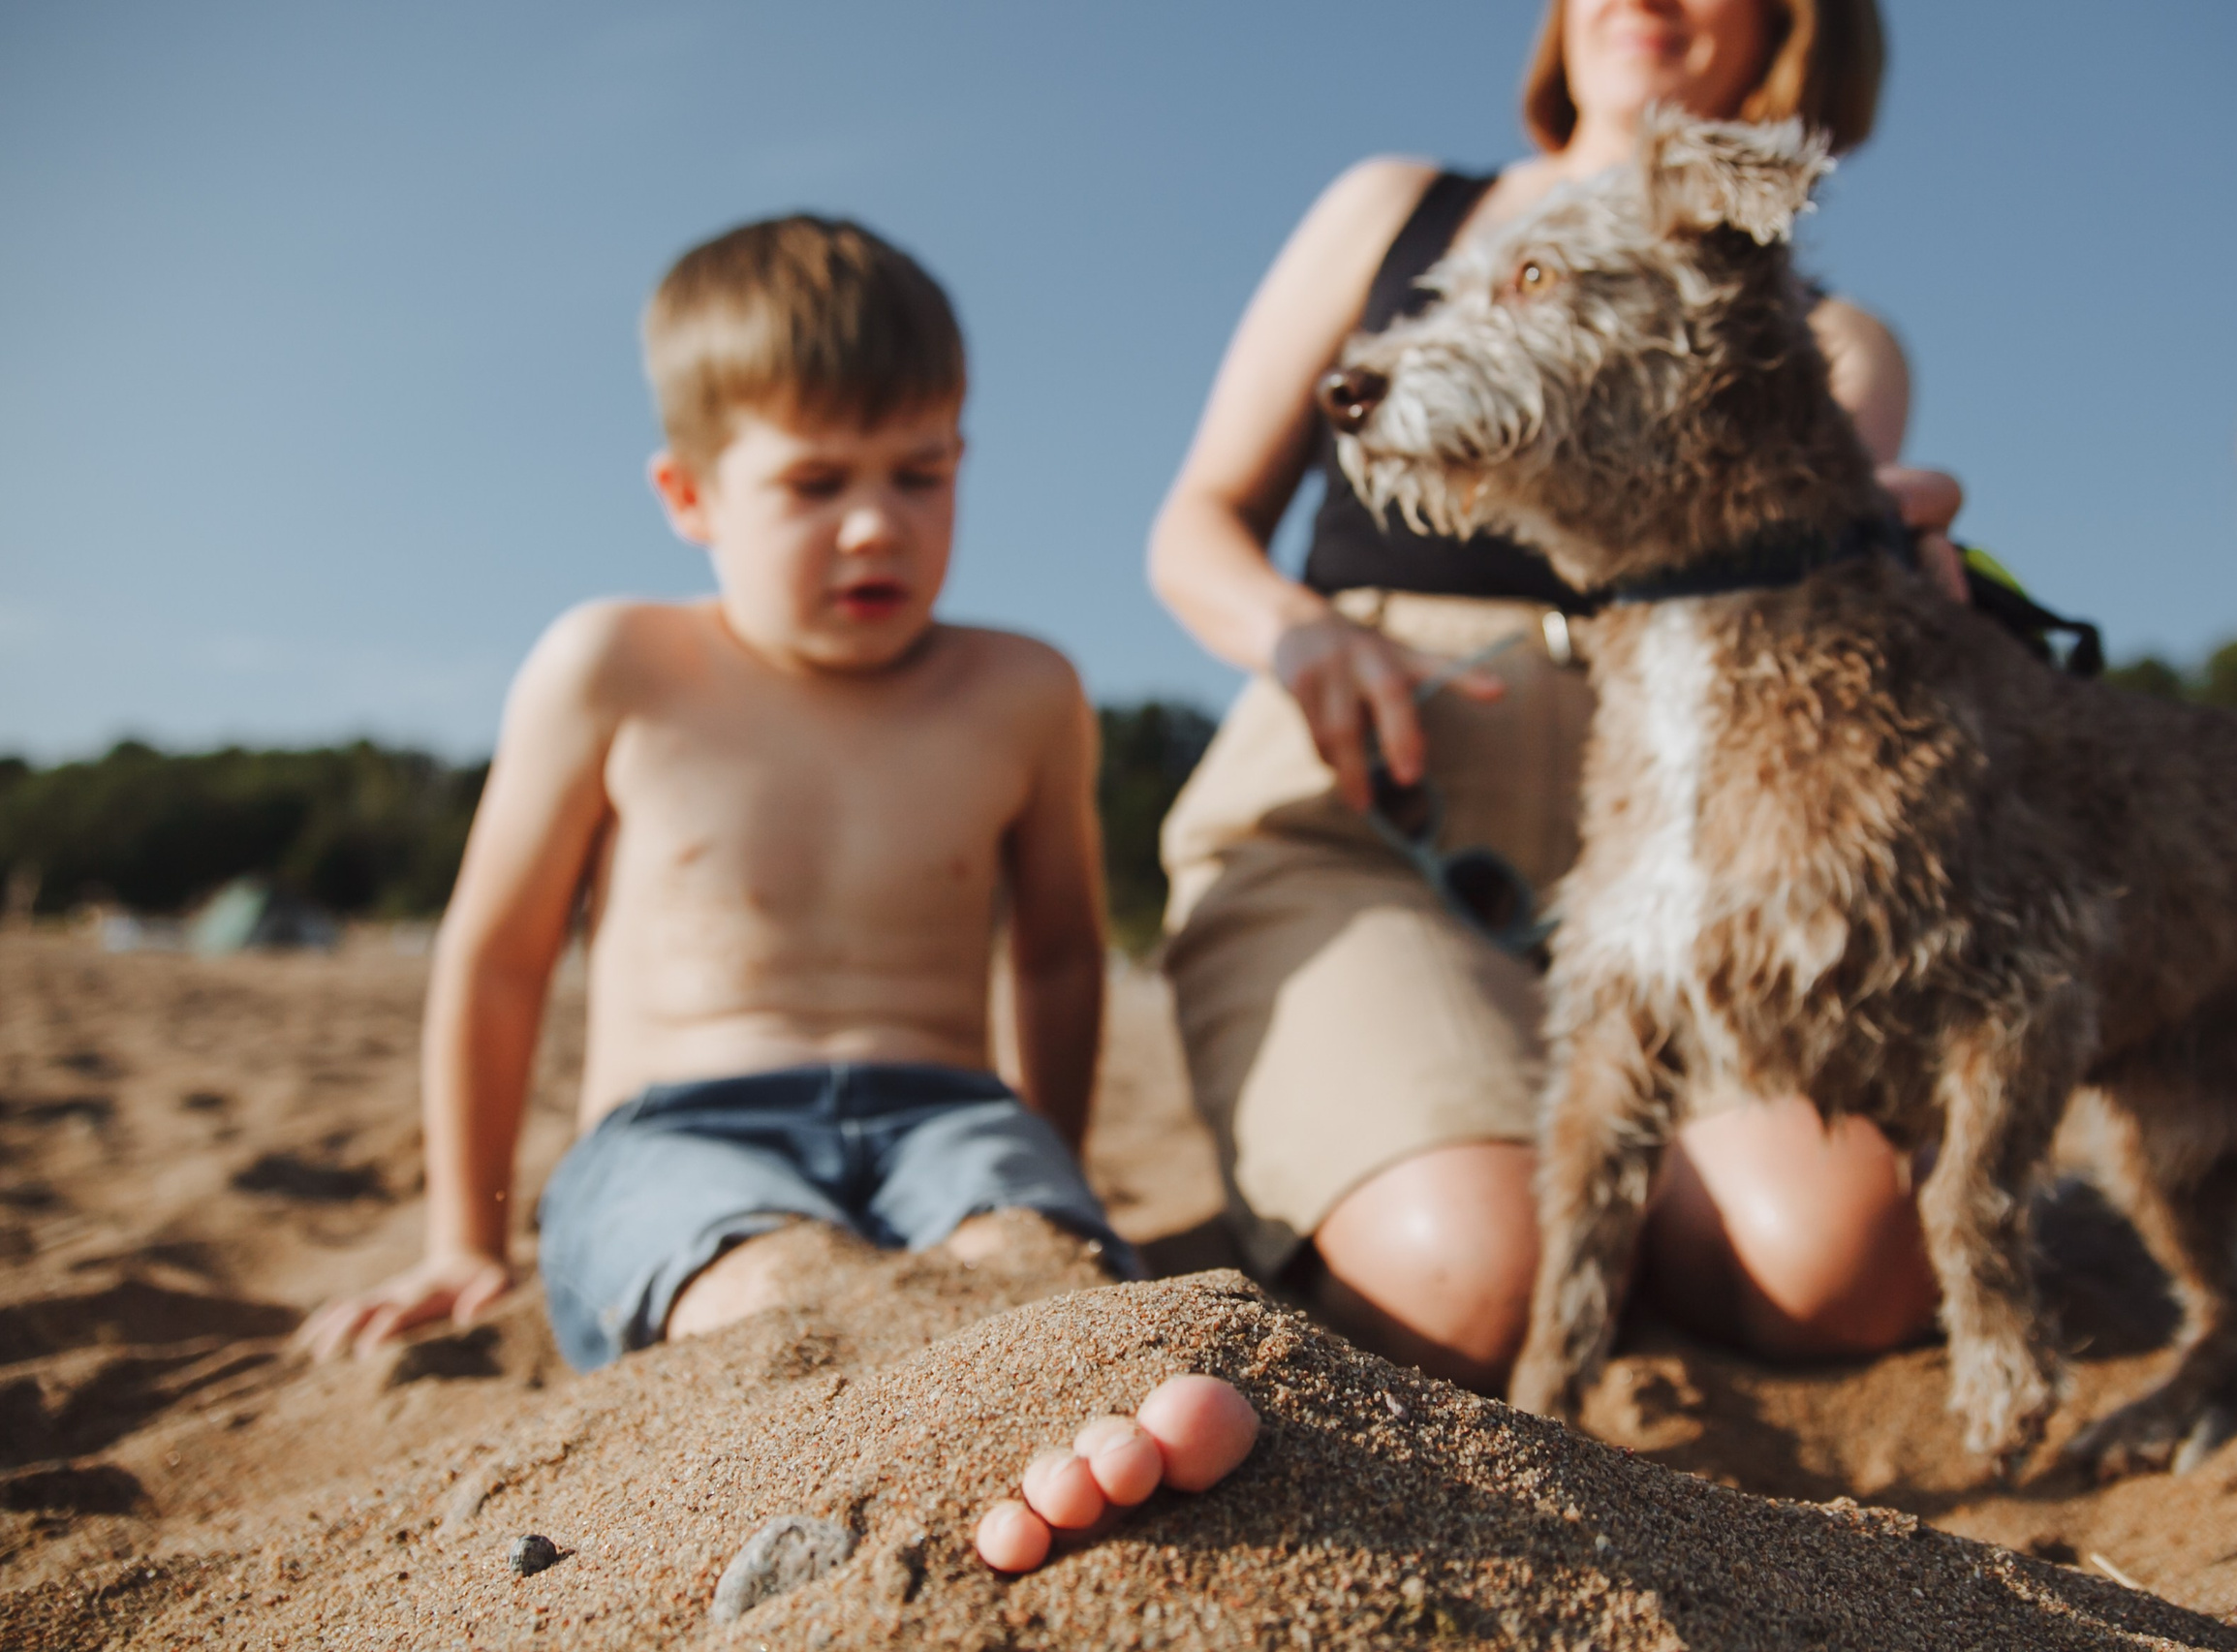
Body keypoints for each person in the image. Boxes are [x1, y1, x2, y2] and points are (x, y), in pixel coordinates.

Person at [295, 214, 1256, 1566]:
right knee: (779, 1283)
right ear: (689, 495)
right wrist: (465, 1234)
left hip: (946, 1109)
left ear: (963, 461)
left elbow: (1054, 955)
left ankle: (1085, 1442)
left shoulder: (1025, 691)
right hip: (675, 1130)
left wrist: (1058, 1157)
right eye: (815, 484)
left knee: (1029, 1257)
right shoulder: (614, 666)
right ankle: (909, 1496)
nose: (879, 522)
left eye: (921, 474)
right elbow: (497, 955)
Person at [1148, 0, 1952, 1394]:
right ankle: (1476, 1173)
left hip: (1677, 873)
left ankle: (1589, 1190)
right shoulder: (1395, 208)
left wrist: (1883, 570)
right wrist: (1294, 632)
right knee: (1480, 1274)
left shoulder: (1843, 342)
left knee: (1841, 1265)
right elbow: (1197, 523)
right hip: (1367, 833)